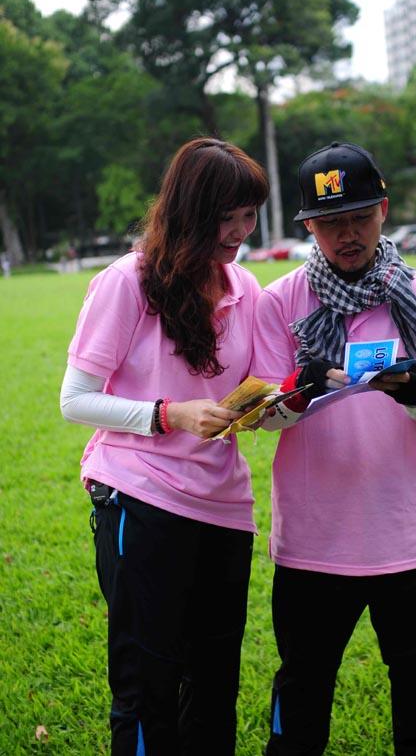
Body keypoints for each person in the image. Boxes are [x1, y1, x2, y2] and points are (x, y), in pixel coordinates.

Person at [252, 141, 416, 755]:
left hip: (410, 537)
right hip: (313, 543)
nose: (347, 235)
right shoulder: (281, 301)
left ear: (384, 211)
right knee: (301, 700)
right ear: (309, 227)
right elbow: (264, 420)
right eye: (330, 223)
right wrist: (297, 390)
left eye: (360, 217)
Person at [60, 137, 269, 755]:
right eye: (226, 217)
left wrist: (272, 406)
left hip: (223, 507)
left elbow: (252, 391)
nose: (240, 232)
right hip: (141, 498)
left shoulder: (245, 288)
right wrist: (169, 414)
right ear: (189, 212)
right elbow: (75, 399)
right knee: (146, 684)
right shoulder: (127, 282)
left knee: (214, 684)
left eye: (249, 215)